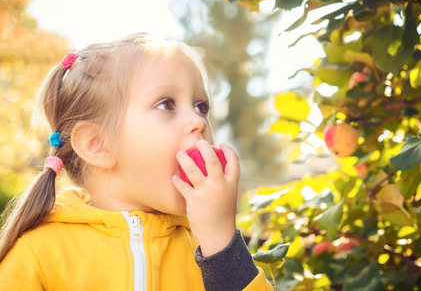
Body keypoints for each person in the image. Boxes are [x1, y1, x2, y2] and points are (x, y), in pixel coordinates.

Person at [0, 33, 273, 290]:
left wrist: (222, 244)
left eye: (201, 106)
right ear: (98, 145)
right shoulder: (38, 254)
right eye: (167, 104)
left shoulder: (208, 249)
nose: (199, 122)